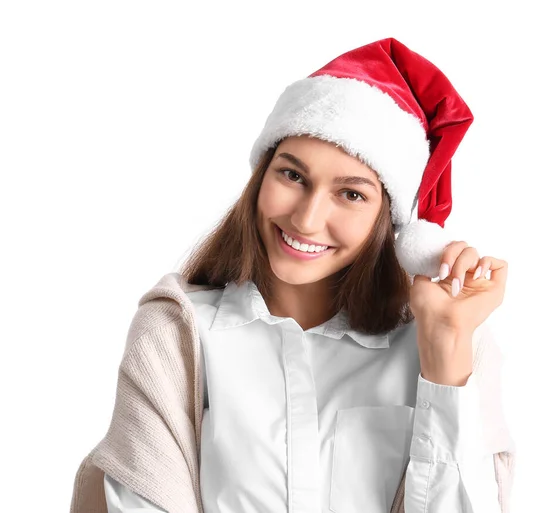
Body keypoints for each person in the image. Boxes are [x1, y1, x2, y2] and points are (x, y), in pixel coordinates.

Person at [70, 37, 517, 513]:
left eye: (351, 194)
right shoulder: (178, 334)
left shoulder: (452, 343)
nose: (306, 219)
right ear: (261, 176)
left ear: (391, 223)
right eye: (293, 176)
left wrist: (446, 345)